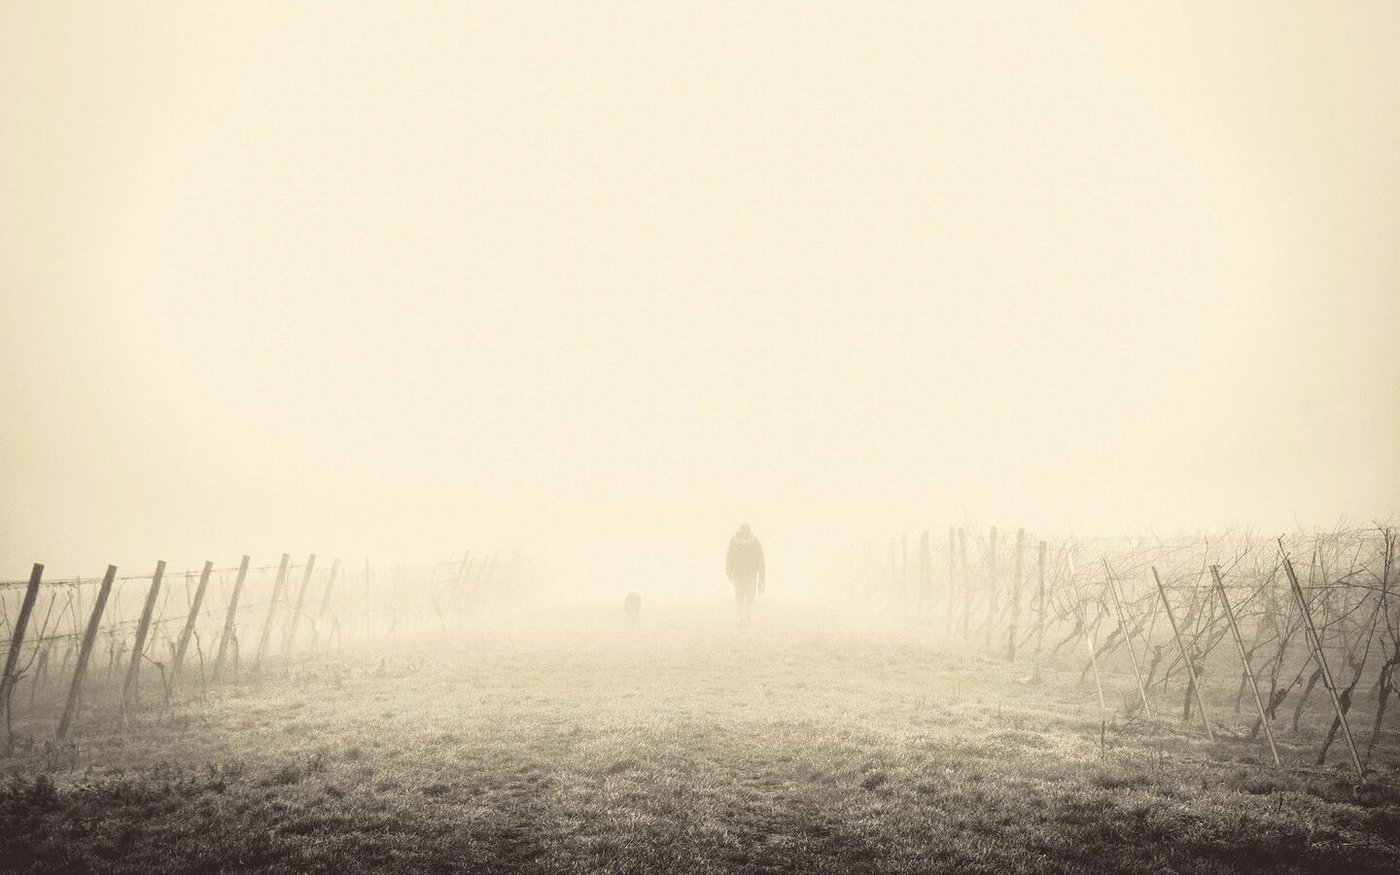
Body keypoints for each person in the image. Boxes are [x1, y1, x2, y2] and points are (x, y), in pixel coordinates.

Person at [725, 524, 766, 625]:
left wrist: (729, 571)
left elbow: (729, 558)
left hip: (743, 575)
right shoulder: (755, 543)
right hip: (746, 575)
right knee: (746, 596)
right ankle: (745, 616)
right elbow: (760, 561)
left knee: (744, 596)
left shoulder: (734, 543)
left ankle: (745, 616)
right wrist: (761, 577)